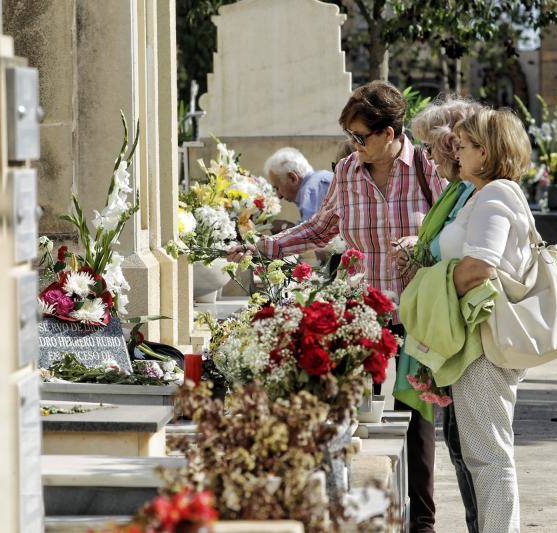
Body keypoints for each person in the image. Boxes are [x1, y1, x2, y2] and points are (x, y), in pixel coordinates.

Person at [228, 80, 447, 533]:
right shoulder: (348, 171)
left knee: (418, 427)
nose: (355, 145)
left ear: (389, 133)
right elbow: (318, 228)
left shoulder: (428, 167)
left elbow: (458, 227)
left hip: (419, 317)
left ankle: (422, 524)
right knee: (362, 425)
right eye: (351, 136)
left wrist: (423, 244)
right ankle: (371, 520)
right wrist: (262, 247)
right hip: (364, 319)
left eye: (361, 136)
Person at [426, 107, 532, 533]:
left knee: (488, 455)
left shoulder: (494, 196)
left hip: (485, 340)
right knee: (483, 452)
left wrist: (429, 285)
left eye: (466, 146)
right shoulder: (485, 193)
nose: (458, 154)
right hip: (478, 334)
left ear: (485, 153)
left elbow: (479, 267)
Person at [394, 95, 483, 533]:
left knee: (476, 451)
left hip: (468, 333)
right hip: (450, 325)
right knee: (461, 445)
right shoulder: (457, 190)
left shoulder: (475, 192)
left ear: (452, 145)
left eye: (431, 147)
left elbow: (477, 261)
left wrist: (425, 260)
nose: (427, 157)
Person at [264, 147, 334, 225]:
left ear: (293, 178)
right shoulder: (320, 179)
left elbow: (312, 234)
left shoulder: (311, 191)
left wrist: (285, 228)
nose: (278, 195)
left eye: (277, 188)